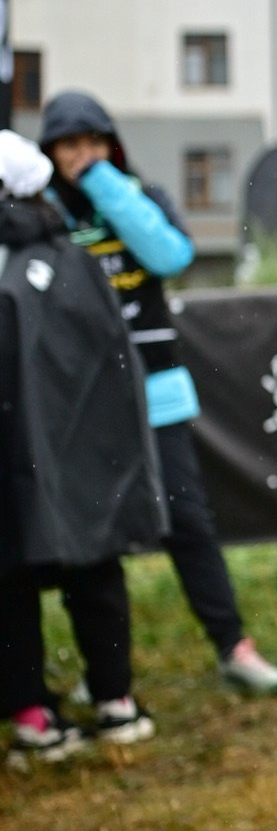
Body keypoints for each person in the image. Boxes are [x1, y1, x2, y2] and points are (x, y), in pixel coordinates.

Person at [38, 92, 277, 697]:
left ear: (113, 145)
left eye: (94, 144)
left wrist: (107, 187)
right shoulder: (41, 214)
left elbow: (170, 254)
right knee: (94, 544)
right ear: (49, 154)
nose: (83, 156)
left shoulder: (140, 198)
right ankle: (107, 676)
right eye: (71, 147)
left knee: (189, 523)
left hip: (157, 392)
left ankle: (234, 648)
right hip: (82, 405)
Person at [0, 127, 165, 754]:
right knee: (95, 569)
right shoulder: (75, 258)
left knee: (9, 580)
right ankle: (115, 701)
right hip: (86, 456)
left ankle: (31, 717)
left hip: (14, 460)